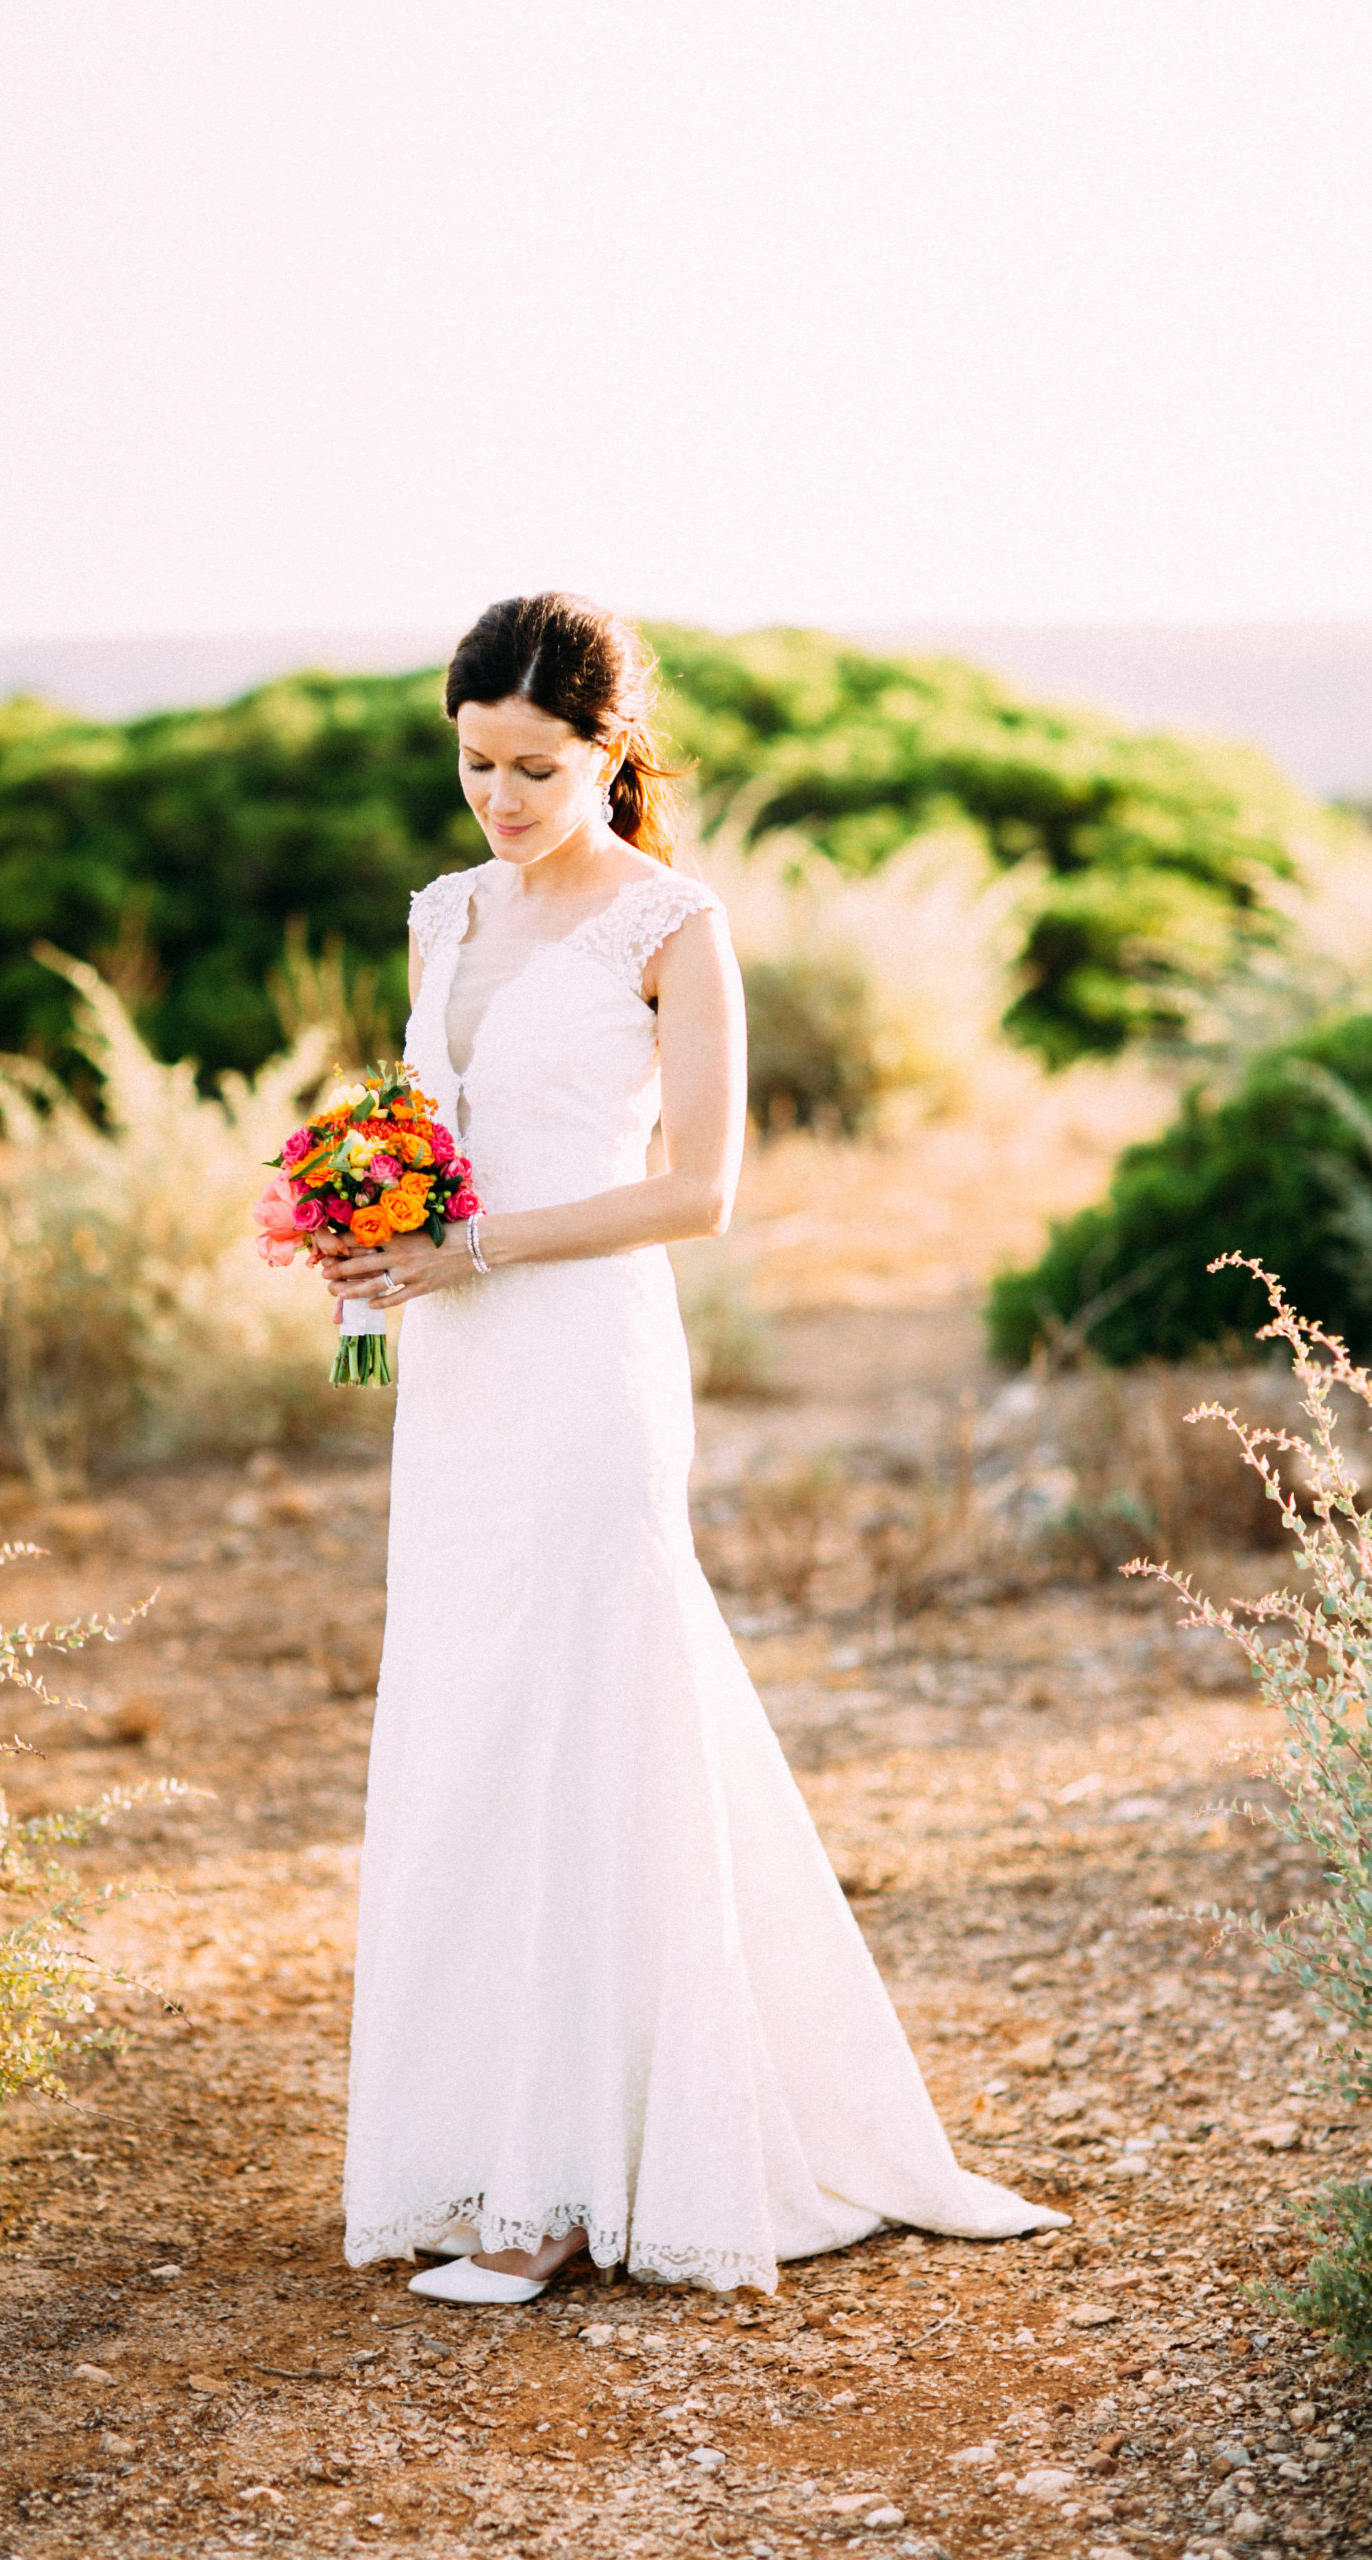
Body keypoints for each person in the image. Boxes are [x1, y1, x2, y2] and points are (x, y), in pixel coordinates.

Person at [319, 593, 1064, 2304]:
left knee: (593, 1710)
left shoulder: (674, 923)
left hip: (583, 1364)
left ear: (611, 751)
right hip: (456, 1373)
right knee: (475, 1719)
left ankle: (568, 2188)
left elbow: (701, 1191)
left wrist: (481, 1247)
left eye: (535, 767)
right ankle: (480, 2143)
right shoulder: (445, 915)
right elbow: (438, 1122)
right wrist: (370, 1228)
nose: (500, 800)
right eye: (474, 764)